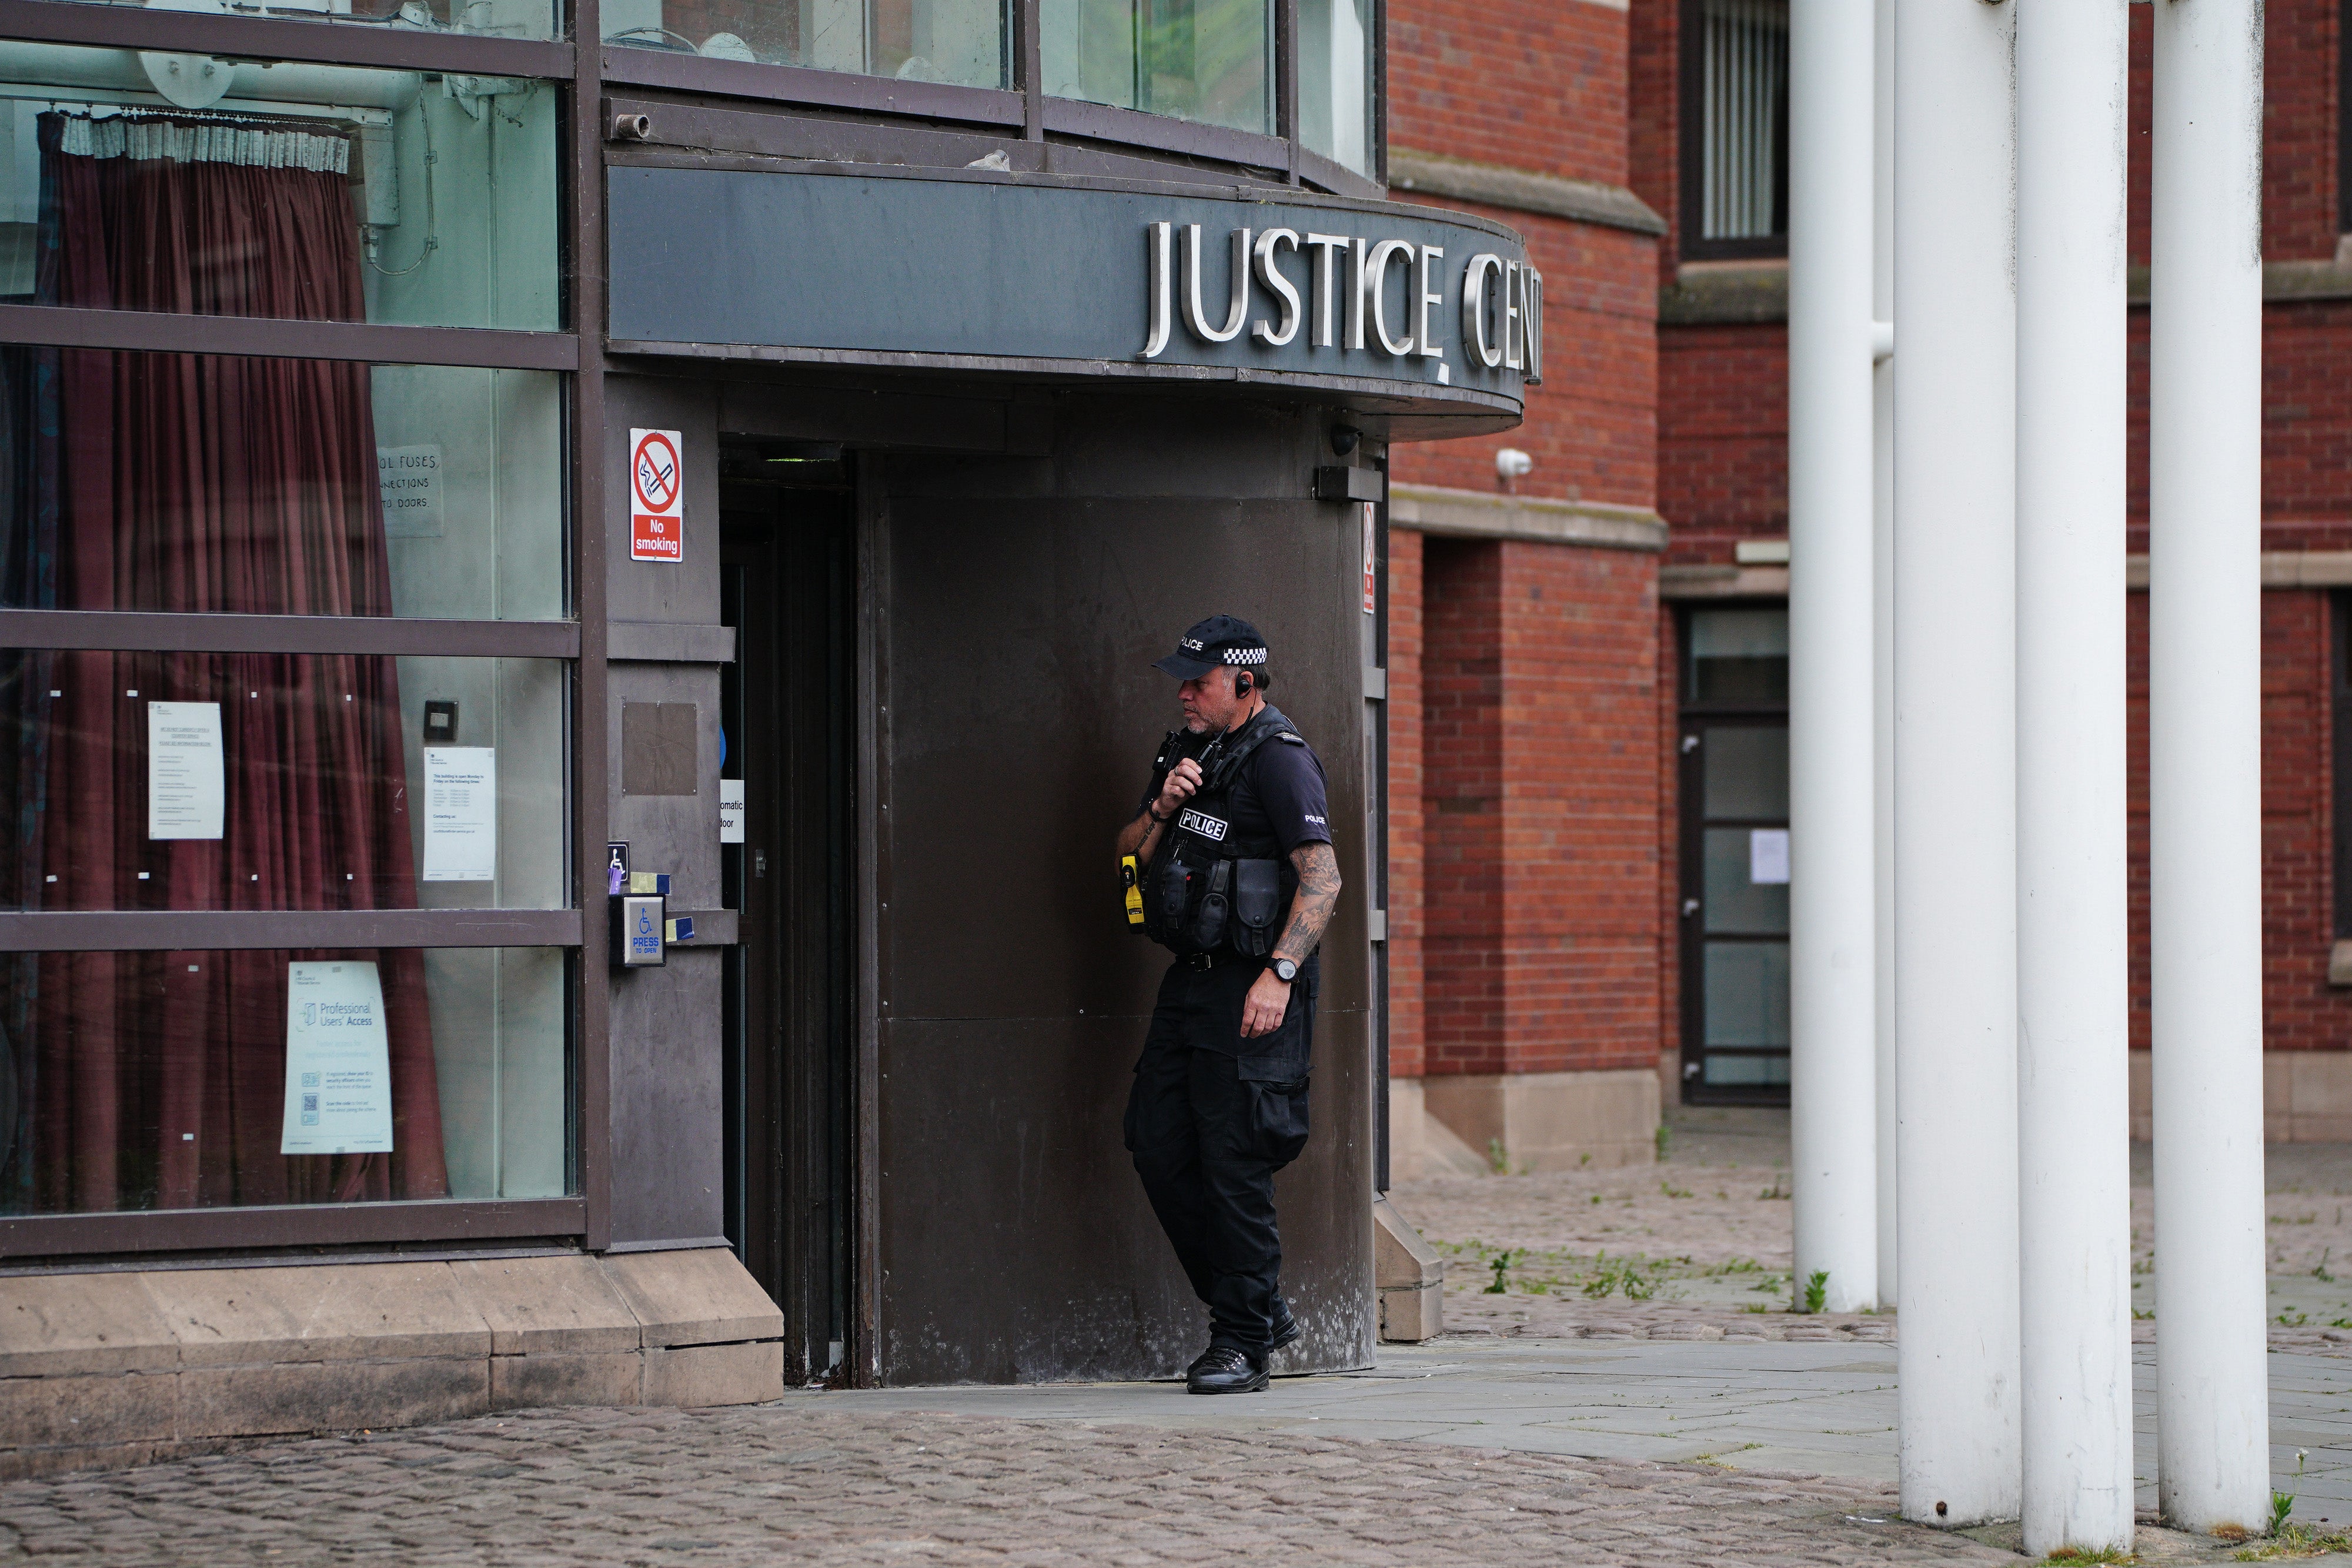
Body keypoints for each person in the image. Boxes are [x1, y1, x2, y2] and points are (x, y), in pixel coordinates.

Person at [1115, 614, 1342, 1395]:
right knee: (1154, 1139)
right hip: (1191, 979)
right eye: (1182, 680)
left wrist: (1278, 975)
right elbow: (1123, 856)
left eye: (1198, 681)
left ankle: (1243, 1344)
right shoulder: (1183, 751)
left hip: (1255, 986)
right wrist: (1160, 810)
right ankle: (1260, 1306)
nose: (1184, 693)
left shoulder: (1281, 763)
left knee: (1233, 1162)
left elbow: (1323, 880)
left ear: (1244, 684)